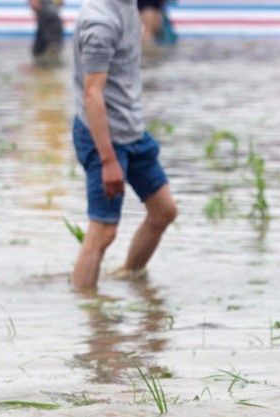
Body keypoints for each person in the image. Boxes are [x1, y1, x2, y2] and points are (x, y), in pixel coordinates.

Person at [71, 0, 178, 292]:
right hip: (102, 135)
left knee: (164, 210)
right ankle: (88, 314)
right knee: (103, 231)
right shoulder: (101, 22)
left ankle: (129, 277)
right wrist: (107, 160)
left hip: (132, 130)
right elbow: (93, 95)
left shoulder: (128, 5)